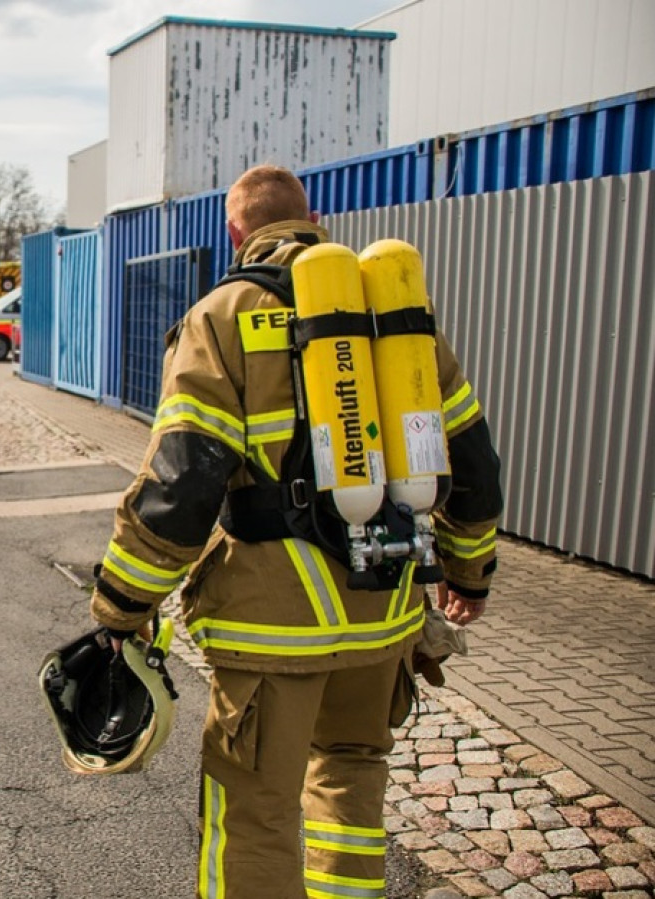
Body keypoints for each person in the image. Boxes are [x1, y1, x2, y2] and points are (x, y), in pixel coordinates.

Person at [87, 164, 502, 899]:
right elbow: (468, 456)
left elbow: (183, 482)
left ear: (235, 231)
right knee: (352, 783)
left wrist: (123, 604)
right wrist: (468, 573)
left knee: (255, 811)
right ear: (314, 219)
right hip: (384, 614)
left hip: (274, 631)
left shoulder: (223, 315)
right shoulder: (393, 313)